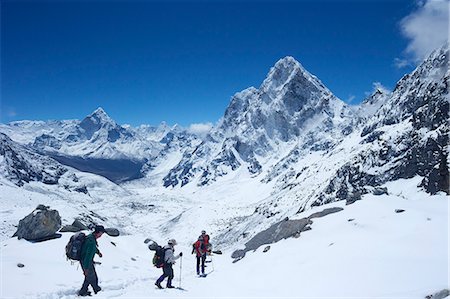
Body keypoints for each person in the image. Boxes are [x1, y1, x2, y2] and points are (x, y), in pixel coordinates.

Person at [78, 225, 105, 297]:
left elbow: (92, 248)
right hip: (86, 261)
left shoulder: (91, 237)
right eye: (101, 234)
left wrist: (98, 252)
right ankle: (98, 292)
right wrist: (86, 268)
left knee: (88, 277)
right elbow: (88, 255)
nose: (101, 236)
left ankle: (83, 291)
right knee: (93, 278)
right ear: (98, 232)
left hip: (85, 260)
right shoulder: (91, 241)